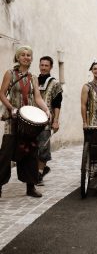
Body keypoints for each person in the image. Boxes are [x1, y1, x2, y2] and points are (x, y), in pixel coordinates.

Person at [0, 46, 51, 198]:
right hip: (13, 119)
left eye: (29, 55)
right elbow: (1, 94)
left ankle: (31, 187)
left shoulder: (33, 77)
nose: (26, 57)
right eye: (22, 55)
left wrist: (46, 110)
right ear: (18, 57)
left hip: (28, 121)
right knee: (5, 154)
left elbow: (37, 98)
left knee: (30, 153)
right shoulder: (10, 73)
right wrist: (11, 108)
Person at [36, 56, 63, 184]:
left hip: (46, 121)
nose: (44, 67)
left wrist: (56, 121)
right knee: (31, 148)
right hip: (32, 120)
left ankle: (39, 173)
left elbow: (57, 104)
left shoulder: (55, 84)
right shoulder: (33, 81)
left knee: (43, 148)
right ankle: (39, 170)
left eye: (46, 65)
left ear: (51, 67)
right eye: (42, 65)